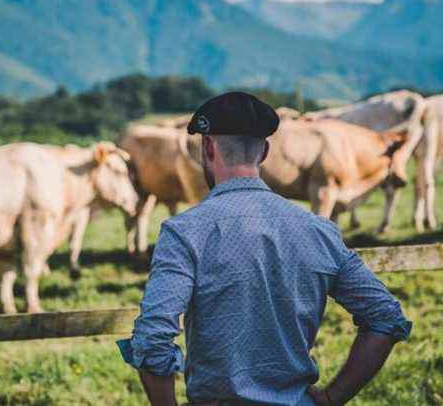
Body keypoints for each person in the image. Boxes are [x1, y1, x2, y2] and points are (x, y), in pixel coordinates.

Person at [117, 92, 412, 406]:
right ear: (265, 152)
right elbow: (385, 317)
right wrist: (331, 398)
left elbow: (152, 339)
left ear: (207, 147)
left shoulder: (184, 232)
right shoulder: (319, 231)